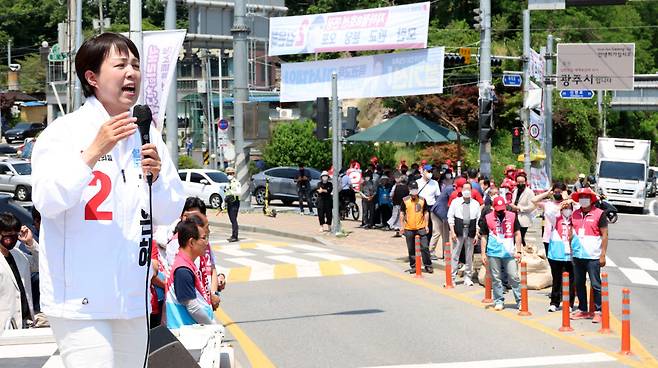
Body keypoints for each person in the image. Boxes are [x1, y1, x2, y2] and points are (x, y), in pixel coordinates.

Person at [31, 33, 185, 367]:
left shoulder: (146, 134)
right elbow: (46, 200)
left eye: (136, 65)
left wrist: (157, 178)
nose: (132, 73)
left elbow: (171, 210)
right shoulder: (64, 132)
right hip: (79, 301)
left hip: (130, 298)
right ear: (92, 77)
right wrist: (93, 153)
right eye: (120, 65)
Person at [165, 215, 217, 328]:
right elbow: (192, 307)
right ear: (192, 242)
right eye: (203, 238)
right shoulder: (183, 270)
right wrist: (212, 326)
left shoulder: (187, 264)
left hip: (193, 332)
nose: (206, 243)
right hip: (188, 334)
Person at [570, 188, 608, 323]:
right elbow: (571, 234)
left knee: (596, 284)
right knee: (579, 283)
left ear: (591, 199)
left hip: (593, 256)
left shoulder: (599, 214)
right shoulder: (574, 214)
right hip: (577, 256)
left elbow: (604, 235)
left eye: (586, 197)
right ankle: (583, 309)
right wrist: (570, 251)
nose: (583, 199)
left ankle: (598, 311)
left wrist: (603, 255)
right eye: (581, 197)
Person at [534, 187, 576, 313]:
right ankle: (554, 302)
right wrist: (561, 205)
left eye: (569, 208)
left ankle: (569, 303)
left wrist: (569, 199)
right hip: (556, 253)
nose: (567, 210)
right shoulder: (555, 218)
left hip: (571, 254)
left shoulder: (575, 219)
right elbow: (549, 211)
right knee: (556, 278)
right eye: (564, 208)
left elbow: (580, 206)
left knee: (571, 280)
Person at [481, 197, 523, 311]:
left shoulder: (512, 216)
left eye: (502, 209)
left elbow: (517, 233)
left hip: (509, 252)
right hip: (493, 252)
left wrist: (518, 250)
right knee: (496, 278)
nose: (500, 212)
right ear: (493, 207)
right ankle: (499, 300)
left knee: (514, 276)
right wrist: (483, 254)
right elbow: (484, 236)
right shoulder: (488, 218)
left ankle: (520, 301)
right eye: (498, 209)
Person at [0, 212, 34, 330]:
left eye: (16, 234)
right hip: (4, 325)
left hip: (24, 323)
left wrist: (31, 243)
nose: (13, 238)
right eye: (9, 234)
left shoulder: (17, 254)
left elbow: (40, 264)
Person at [447, 182, 481, 286]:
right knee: (455, 254)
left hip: (470, 230)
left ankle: (468, 277)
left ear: (471, 191)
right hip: (458, 230)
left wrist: (477, 234)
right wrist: (452, 231)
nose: (466, 191)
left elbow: (478, 220)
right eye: (464, 189)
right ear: (461, 190)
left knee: (469, 255)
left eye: (468, 189)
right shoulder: (455, 202)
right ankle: (452, 277)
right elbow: (450, 217)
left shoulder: (475, 204)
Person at [400, 181, 432, 274]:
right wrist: (402, 226)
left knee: (425, 247)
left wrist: (426, 225)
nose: (414, 192)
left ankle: (428, 265)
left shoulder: (422, 200)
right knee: (411, 248)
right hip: (409, 228)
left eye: (415, 189)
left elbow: (426, 212)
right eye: (412, 189)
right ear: (409, 190)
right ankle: (413, 266)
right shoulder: (405, 200)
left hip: (421, 227)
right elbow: (402, 213)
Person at [416, 164, 442, 259]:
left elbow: (437, 196)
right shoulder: (417, 182)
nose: (430, 173)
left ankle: (429, 250)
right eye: (428, 171)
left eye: (431, 172)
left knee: (431, 229)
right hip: (420, 208)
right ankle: (419, 249)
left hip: (431, 208)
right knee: (420, 228)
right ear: (423, 171)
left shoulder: (434, 183)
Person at [509, 171, 535, 247]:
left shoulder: (529, 192)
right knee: (515, 236)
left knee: (520, 236)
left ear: (525, 182)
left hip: (524, 218)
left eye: (522, 182)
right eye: (518, 182)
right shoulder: (515, 191)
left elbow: (532, 207)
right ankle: (519, 251)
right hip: (514, 216)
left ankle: (521, 252)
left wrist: (519, 208)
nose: (520, 184)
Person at [225, 167, 241, 242]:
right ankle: (233, 235)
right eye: (228, 173)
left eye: (231, 173)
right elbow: (225, 193)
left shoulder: (236, 183)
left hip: (235, 202)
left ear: (234, 174)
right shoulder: (227, 183)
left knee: (234, 220)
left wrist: (231, 194)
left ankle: (235, 236)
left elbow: (239, 192)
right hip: (229, 203)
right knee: (232, 220)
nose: (229, 175)